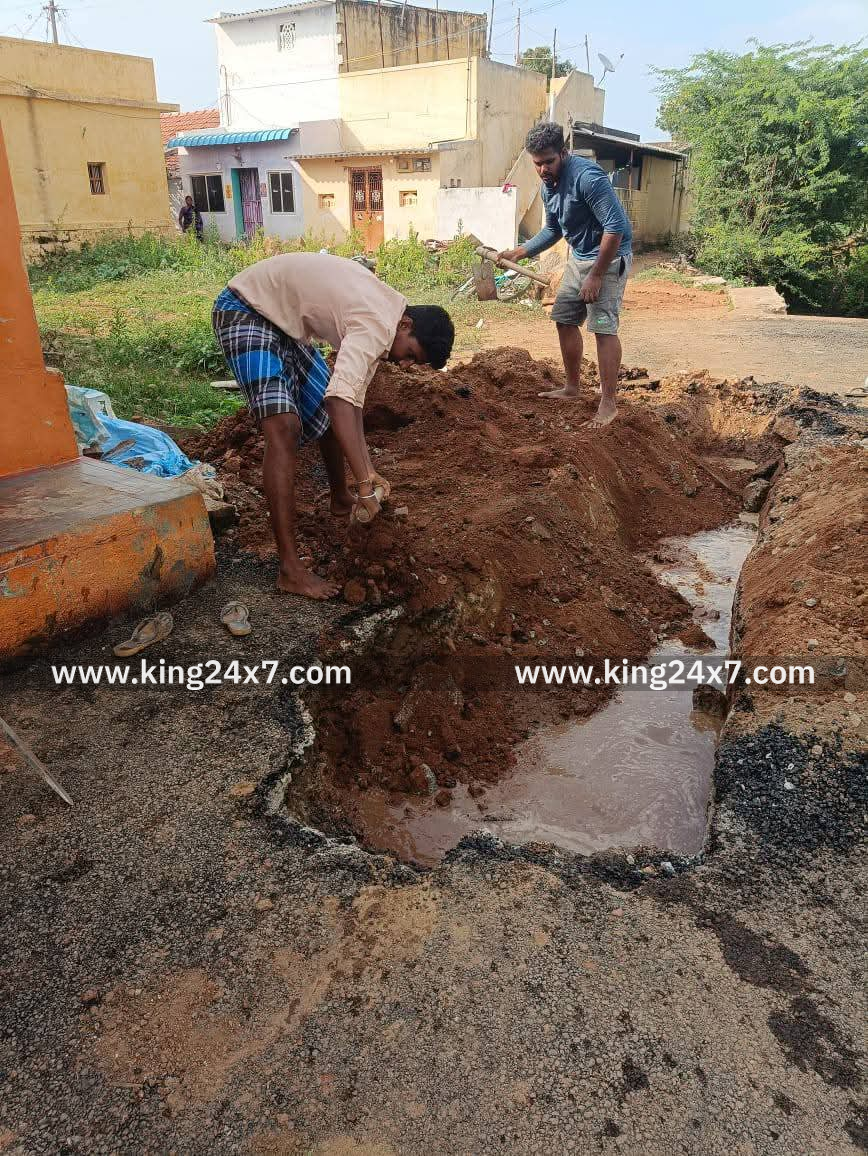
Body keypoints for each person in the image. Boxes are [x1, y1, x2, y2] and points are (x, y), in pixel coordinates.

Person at [212, 252, 454, 599]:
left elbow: (350, 401)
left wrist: (367, 473)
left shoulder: (386, 314)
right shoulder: (376, 323)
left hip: (283, 323)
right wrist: (366, 483)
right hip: (245, 309)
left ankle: (341, 499)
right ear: (406, 326)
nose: (404, 363)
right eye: (411, 354)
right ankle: (290, 569)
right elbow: (340, 400)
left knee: (329, 411)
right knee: (284, 427)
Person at [499, 122, 633, 429]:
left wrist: (596, 276)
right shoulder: (549, 185)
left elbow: (615, 228)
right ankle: (572, 387)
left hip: (608, 258)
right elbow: (553, 229)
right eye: (537, 163)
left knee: (603, 328)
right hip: (580, 256)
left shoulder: (588, 178)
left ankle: (608, 404)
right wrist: (520, 252)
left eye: (549, 161)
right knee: (564, 319)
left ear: (563, 152)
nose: (543, 169)